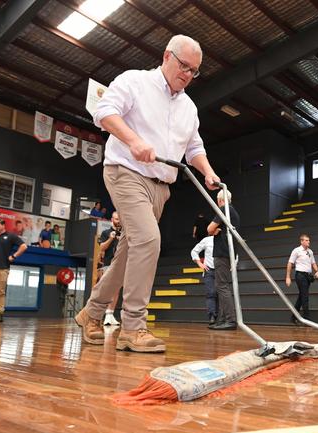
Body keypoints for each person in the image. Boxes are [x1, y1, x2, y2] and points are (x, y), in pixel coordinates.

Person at [75, 34, 220, 352]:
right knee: (149, 241)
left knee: (130, 253)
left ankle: (92, 312)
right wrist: (133, 140)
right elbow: (104, 111)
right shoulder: (134, 82)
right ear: (167, 56)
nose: (188, 75)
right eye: (184, 66)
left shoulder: (189, 108)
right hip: (125, 173)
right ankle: (132, 327)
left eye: (194, 71)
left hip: (161, 188)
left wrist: (208, 172)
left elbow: (194, 147)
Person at [207, 189, 239, 331]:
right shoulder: (233, 211)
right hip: (228, 252)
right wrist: (215, 230)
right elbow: (213, 230)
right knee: (221, 286)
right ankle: (223, 319)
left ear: (220, 200)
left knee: (222, 286)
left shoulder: (224, 209)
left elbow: (209, 229)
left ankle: (230, 320)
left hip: (222, 253)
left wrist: (215, 230)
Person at [285, 233, 318, 323]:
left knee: (301, 297)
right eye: (306, 240)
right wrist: (288, 277)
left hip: (307, 276)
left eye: (309, 240)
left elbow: (313, 263)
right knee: (305, 297)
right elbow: (290, 263)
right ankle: (307, 319)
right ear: (302, 241)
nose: (309, 242)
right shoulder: (296, 251)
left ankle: (294, 317)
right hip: (300, 276)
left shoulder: (310, 251)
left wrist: (317, 271)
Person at [98, 211, 122, 326]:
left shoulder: (123, 233)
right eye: (117, 219)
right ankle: (100, 315)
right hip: (108, 264)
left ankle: (110, 314)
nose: (118, 221)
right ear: (112, 219)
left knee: (116, 290)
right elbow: (101, 247)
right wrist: (111, 239)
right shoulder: (105, 232)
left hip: (120, 264)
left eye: (120, 219)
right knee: (106, 289)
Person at [190, 235, 217, 325]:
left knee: (222, 294)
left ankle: (222, 317)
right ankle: (212, 317)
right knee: (211, 293)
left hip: (221, 270)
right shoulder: (207, 240)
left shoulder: (226, 239)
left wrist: (232, 266)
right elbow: (194, 251)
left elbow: (235, 255)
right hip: (209, 271)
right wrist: (199, 263)